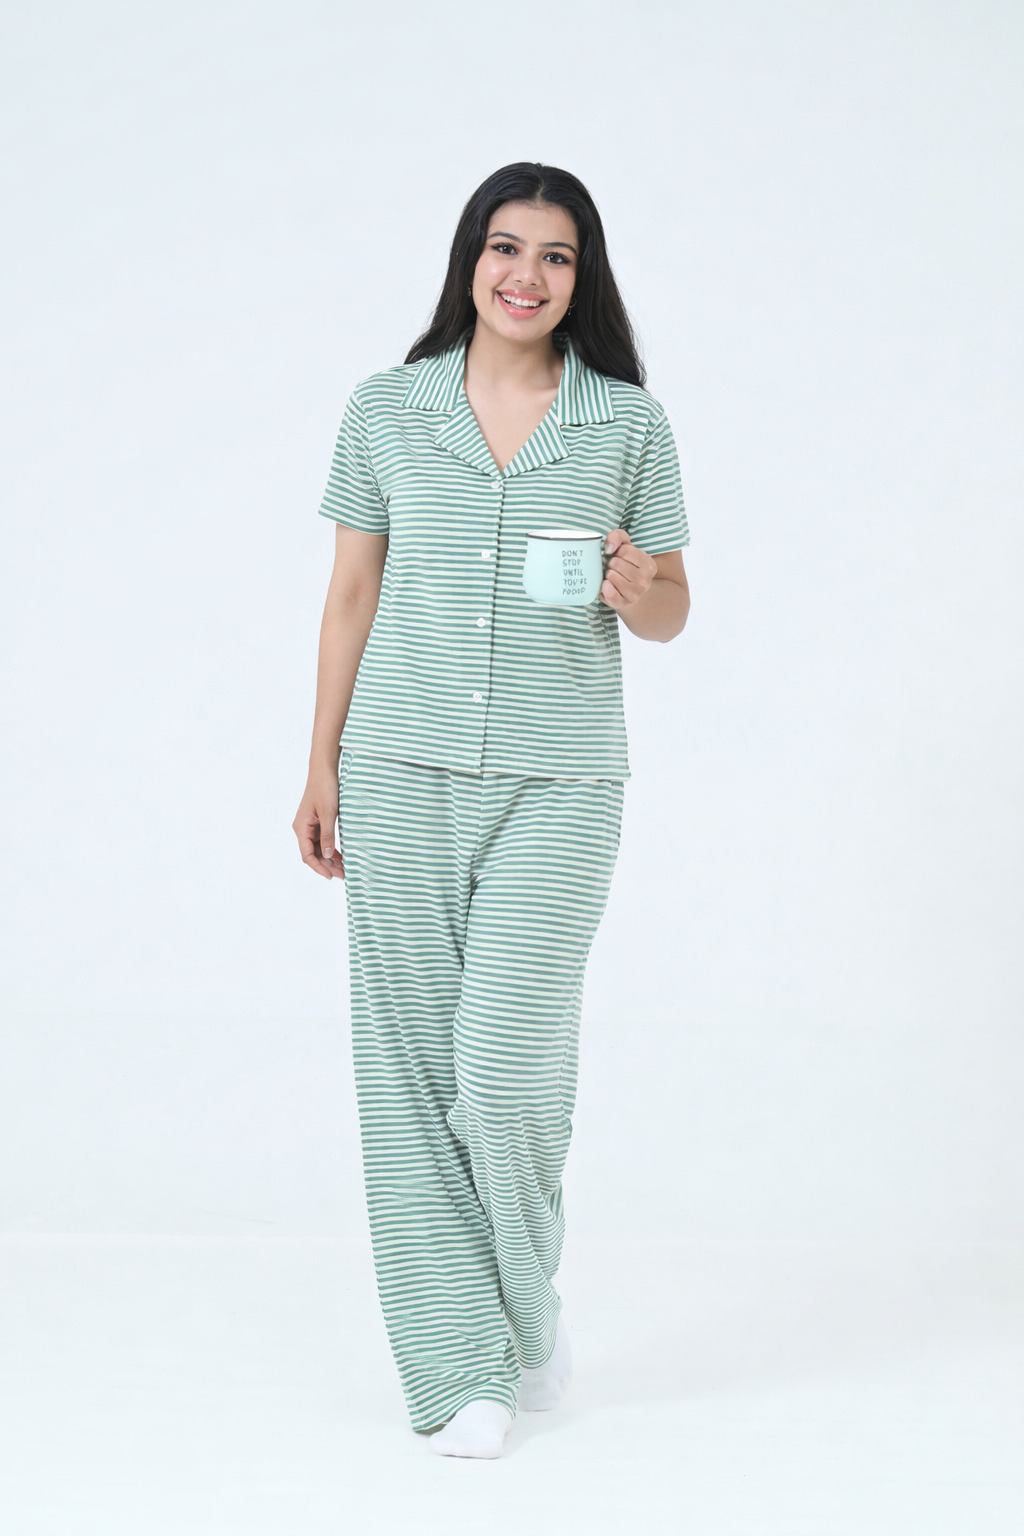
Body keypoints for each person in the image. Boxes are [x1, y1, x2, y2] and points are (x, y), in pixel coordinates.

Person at [292, 162, 690, 1459]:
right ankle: (462, 1363)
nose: (527, 274)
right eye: (505, 247)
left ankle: (524, 1305)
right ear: (471, 259)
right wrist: (320, 766)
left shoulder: (625, 422)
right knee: (408, 1074)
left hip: (561, 782)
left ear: (583, 278)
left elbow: (674, 608)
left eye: (556, 256)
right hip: (397, 771)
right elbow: (351, 595)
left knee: (506, 1071)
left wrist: (639, 587)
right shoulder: (387, 408)